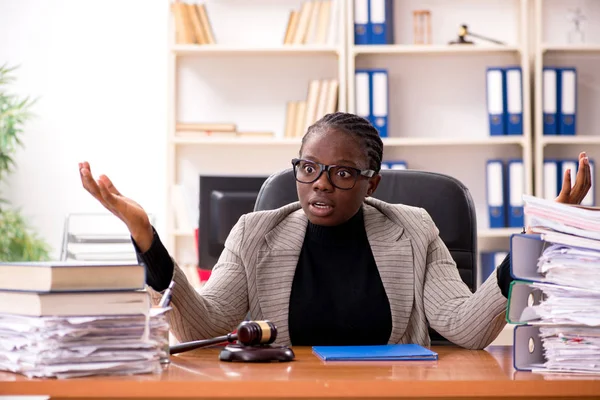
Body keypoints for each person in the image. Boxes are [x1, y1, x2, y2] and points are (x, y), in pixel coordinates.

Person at [79, 112, 591, 349]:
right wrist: (146, 236)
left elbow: (467, 328)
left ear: (371, 183)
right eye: (308, 168)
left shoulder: (414, 230)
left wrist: (535, 239)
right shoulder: (256, 233)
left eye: (343, 173)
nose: (320, 185)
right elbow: (200, 326)